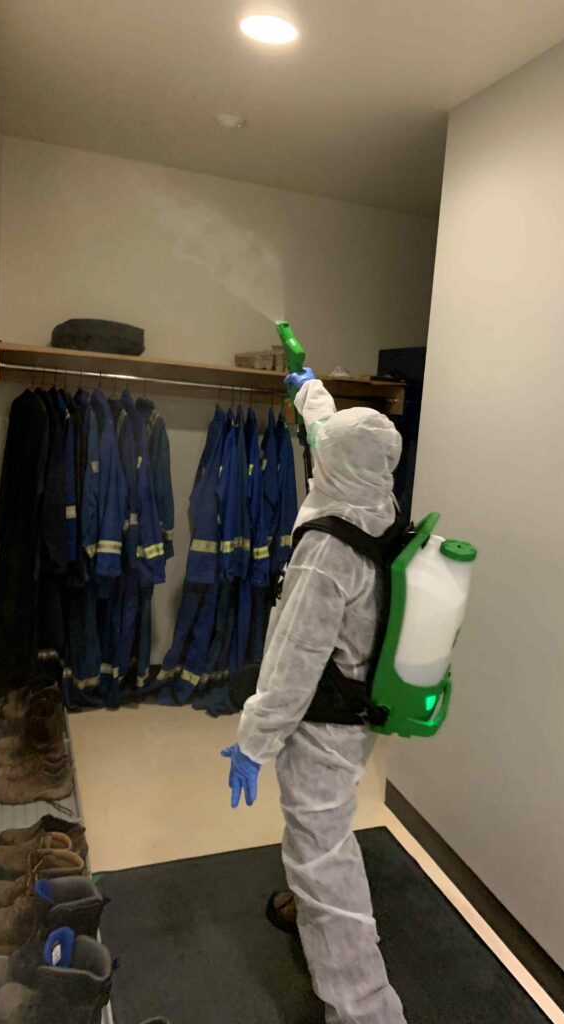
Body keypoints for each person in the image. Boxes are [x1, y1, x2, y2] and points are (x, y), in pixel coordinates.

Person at [221, 368, 407, 1024]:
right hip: (358, 709)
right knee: (323, 829)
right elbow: (330, 435)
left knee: (322, 855)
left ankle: (365, 1009)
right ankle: (307, 908)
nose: (318, 448)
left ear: (333, 466)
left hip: (324, 725)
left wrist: (254, 741)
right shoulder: (377, 505)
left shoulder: (325, 550)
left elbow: (293, 661)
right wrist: (310, 391)